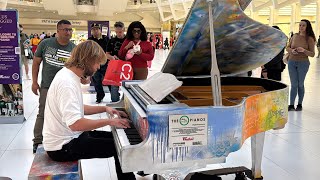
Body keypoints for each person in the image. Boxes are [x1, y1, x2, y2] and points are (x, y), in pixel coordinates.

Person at [43, 40, 136, 180]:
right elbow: (75, 124)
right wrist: (109, 122)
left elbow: (78, 108)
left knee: (118, 141)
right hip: (62, 147)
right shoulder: (67, 83)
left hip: (69, 138)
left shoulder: (69, 75)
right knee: (120, 149)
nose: (98, 67)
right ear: (88, 60)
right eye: (97, 63)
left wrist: (106, 108)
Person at [32, 20, 76, 153]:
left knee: (64, 114)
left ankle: (62, 139)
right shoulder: (45, 44)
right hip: (47, 86)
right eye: (65, 29)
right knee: (43, 113)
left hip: (65, 88)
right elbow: (36, 63)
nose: (68, 32)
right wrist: (34, 82)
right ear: (58, 31)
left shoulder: (73, 48)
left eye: (70, 30)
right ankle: (38, 140)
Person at [286, 19, 316, 111]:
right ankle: (291, 105)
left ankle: (299, 104)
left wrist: (304, 50)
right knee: (294, 84)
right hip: (291, 61)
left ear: (307, 27)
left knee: (300, 84)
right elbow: (287, 48)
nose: (301, 27)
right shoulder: (294, 36)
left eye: (303, 25)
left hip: (303, 63)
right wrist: (292, 51)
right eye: (300, 25)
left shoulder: (310, 39)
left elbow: (312, 54)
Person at [88, 23, 110, 103]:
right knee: (96, 81)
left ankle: (113, 96)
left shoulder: (106, 39)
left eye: (97, 29)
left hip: (105, 63)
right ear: (91, 31)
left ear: (100, 30)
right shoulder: (90, 40)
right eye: (94, 29)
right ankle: (100, 96)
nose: (95, 31)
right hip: (95, 63)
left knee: (108, 79)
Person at [105, 21, 126, 102]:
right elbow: (107, 55)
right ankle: (115, 103)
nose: (118, 34)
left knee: (126, 85)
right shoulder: (111, 41)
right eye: (116, 32)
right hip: (115, 66)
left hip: (126, 66)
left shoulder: (128, 40)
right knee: (114, 85)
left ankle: (127, 102)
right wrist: (112, 57)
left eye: (120, 32)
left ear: (124, 30)